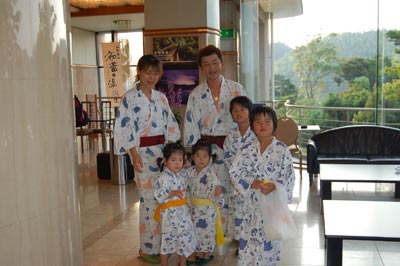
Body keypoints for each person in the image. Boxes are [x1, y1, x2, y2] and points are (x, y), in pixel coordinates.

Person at [113, 54, 181, 264]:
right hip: (142, 154)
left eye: (155, 73)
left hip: (163, 155)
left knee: (164, 197)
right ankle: (146, 248)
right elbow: (125, 128)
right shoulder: (129, 98)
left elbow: (170, 125)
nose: (151, 77)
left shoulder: (161, 97)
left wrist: (173, 155)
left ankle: (164, 245)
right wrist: (133, 154)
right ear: (139, 72)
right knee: (148, 200)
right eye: (147, 72)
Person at [184, 44, 246, 237]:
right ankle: (209, 237)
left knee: (236, 191)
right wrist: (194, 156)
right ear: (201, 68)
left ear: (221, 63)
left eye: (215, 62)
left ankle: (237, 235)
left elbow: (246, 117)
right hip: (207, 151)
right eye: (206, 64)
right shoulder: (196, 95)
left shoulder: (236, 89)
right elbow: (191, 125)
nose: (211, 67)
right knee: (210, 191)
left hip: (234, 148)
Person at [229, 105, 295, 266]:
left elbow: (288, 176)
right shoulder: (246, 150)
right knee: (250, 245)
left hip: (272, 205)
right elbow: (235, 171)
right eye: (258, 122)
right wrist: (251, 182)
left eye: (267, 121)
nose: (263, 125)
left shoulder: (281, 150)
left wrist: (275, 186)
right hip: (250, 206)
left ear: (273, 125)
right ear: (252, 126)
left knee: (270, 244)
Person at [153, 142, 197, 266]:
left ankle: (182, 264)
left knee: (183, 242)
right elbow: (158, 194)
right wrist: (171, 193)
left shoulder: (182, 175)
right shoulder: (163, 177)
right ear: (165, 161)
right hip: (169, 217)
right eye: (173, 160)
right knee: (167, 243)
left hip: (182, 214)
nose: (177, 163)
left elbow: (186, 192)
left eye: (180, 160)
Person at [183, 139, 224, 266]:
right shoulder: (189, 173)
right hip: (193, 208)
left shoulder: (212, 174)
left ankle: (205, 256)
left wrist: (217, 195)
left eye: (205, 156)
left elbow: (217, 193)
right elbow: (185, 188)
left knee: (206, 233)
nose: (201, 159)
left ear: (210, 158)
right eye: (198, 156)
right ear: (193, 157)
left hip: (207, 210)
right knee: (192, 232)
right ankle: (192, 255)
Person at [223, 96, 256, 246]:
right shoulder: (231, 134)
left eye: (242, 110)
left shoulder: (256, 132)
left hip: (252, 178)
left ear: (249, 111)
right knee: (236, 208)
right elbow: (227, 155)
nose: (238, 113)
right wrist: (237, 173)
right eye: (235, 111)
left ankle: (251, 237)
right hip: (235, 179)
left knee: (251, 208)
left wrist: (247, 174)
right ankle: (237, 237)